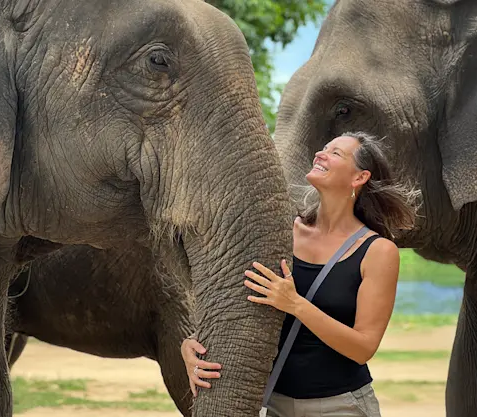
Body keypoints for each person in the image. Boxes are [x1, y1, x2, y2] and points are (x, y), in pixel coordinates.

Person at [180, 131, 421, 416]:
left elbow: (363, 347)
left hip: (340, 405)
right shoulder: (281, 231)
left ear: (359, 177)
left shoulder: (377, 251)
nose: (321, 154)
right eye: (324, 147)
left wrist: (295, 304)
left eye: (336, 153)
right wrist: (190, 341)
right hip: (275, 404)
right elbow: (240, 298)